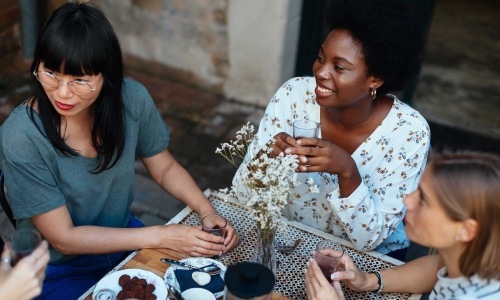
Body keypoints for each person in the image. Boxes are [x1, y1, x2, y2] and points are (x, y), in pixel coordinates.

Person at [0, 2, 239, 299]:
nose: (62, 92)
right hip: (58, 267)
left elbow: (163, 167)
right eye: (50, 73)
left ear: (106, 74)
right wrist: (160, 235)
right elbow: (64, 239)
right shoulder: (21, 135)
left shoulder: (132, 100)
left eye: (80, 80)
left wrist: (206, 210)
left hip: (125, 236)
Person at [233, 0, 429, 260]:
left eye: (339, 67)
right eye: (320, 58)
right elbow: (242, 196)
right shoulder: (294, 96)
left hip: (363, 261)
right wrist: (267, 157)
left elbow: (369, 239)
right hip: (289, 242)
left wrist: (347, 172)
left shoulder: (408, 133)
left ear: (376, 78)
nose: (320, 72)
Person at [305, 150, 500, 300]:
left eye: (423, 199)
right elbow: (438, 267)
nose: (407, 201)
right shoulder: (468, 260)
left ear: (466, 230)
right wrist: (368, 281)